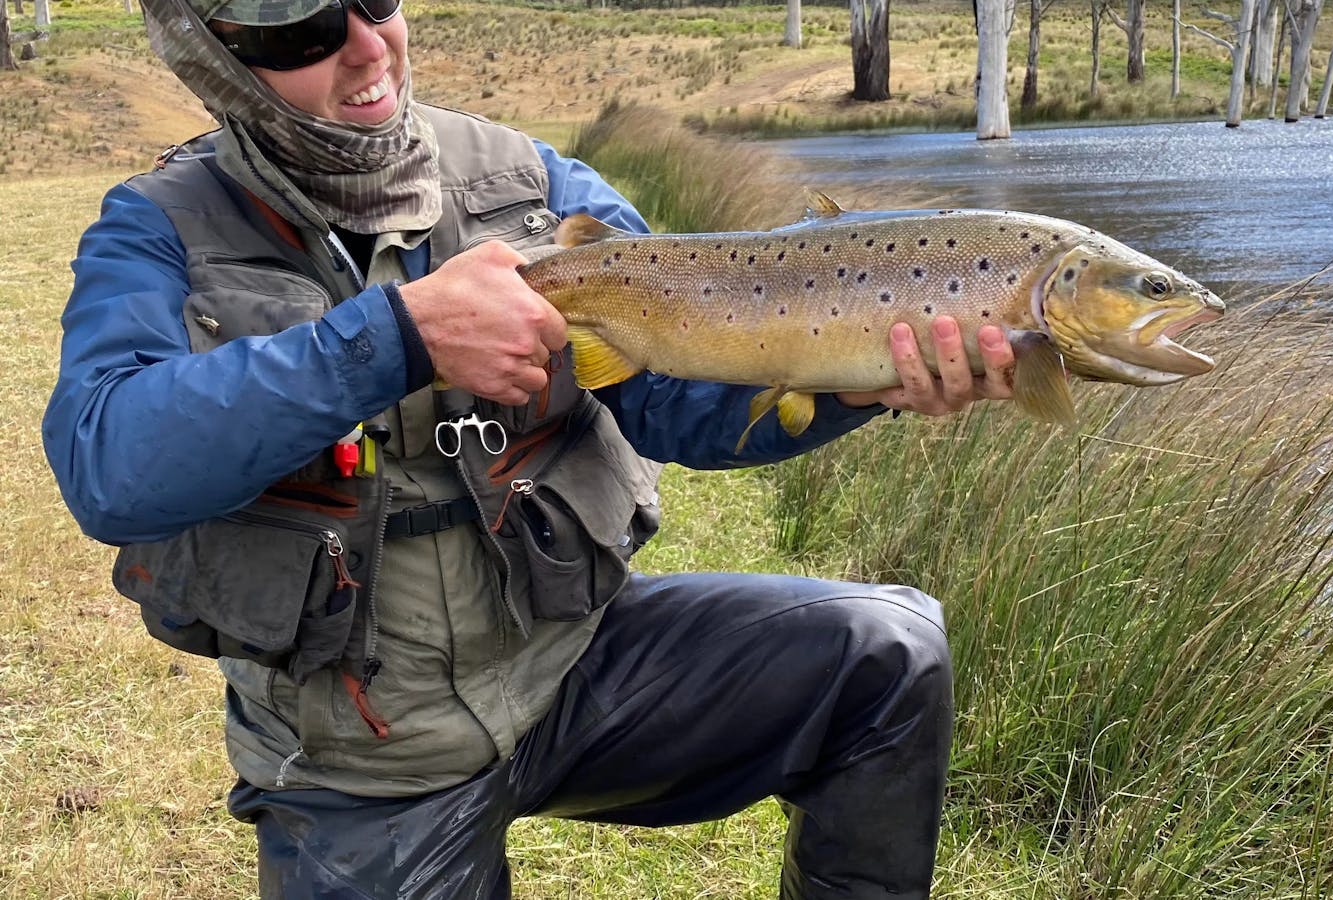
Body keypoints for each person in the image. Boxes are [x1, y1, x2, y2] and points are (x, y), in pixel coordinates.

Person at [41, 0, 1016, 895]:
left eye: (375, 0)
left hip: (574, 675)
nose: (368, 47)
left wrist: (854, 382)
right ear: (215, 58)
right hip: (366, 763)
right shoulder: (160, 228)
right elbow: (108, 463)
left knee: (887, 652)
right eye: (303, 32)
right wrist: (400, 338)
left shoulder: (531, 184)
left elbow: (681, 409)